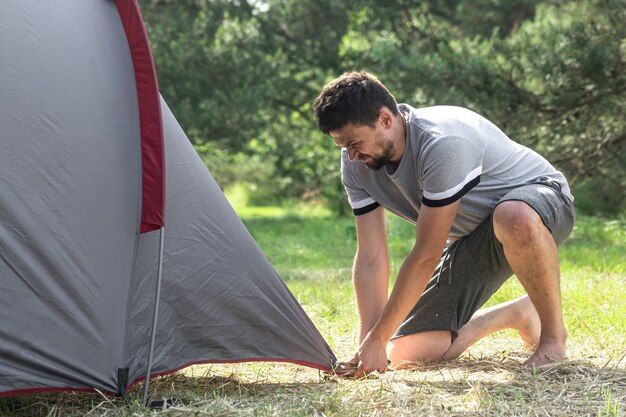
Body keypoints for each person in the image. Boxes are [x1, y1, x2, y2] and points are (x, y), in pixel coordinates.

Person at [312, 71, 575, 377]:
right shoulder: (356, 164)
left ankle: (553, 339)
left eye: (355, 142)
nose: (352, 155)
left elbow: (426, 254)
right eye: (343, 146)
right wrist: (370, 343)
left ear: (386, 119)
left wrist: (379, 337)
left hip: (540, 205)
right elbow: (371, 257)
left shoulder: (441, 143)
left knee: (512, 216)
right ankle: (516, 313)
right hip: (475, 236)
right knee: (405, 353)